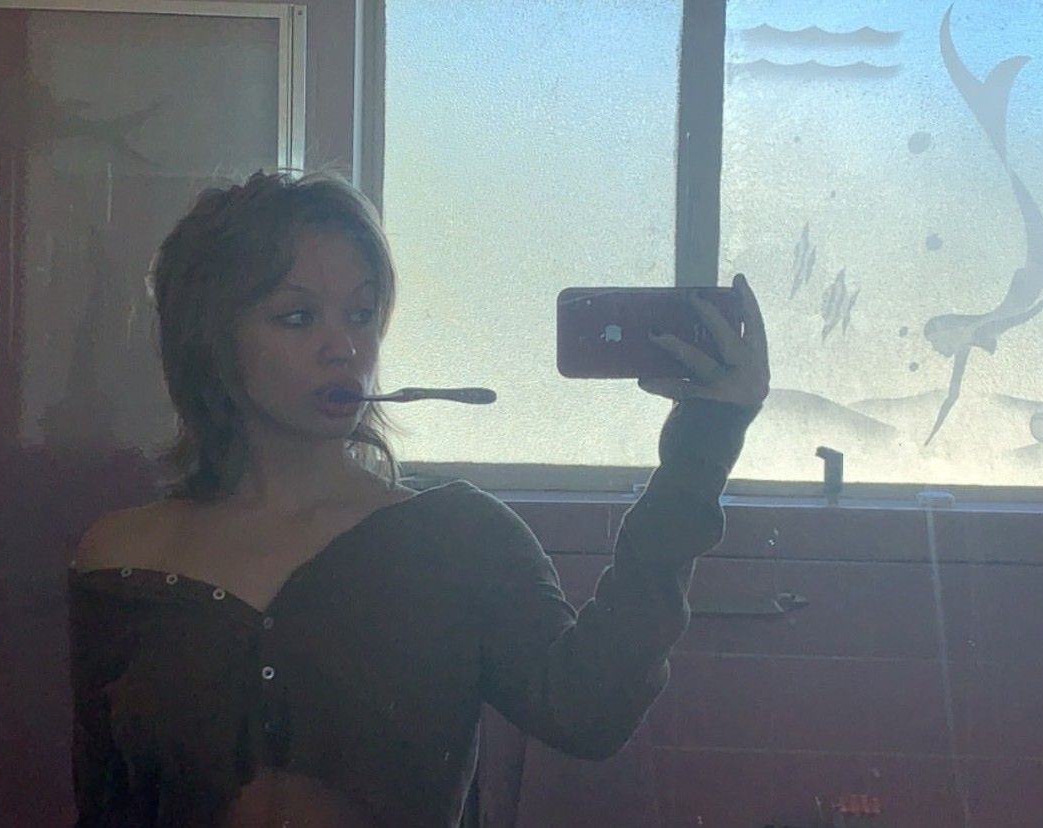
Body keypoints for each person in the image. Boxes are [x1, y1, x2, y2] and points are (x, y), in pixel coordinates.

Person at [68, 170, 769, 827]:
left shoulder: (458, 539)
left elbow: (589, 711)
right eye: (298, 317)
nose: (345, 347)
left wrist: (700, 448)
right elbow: (105, 802)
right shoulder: (120, 555)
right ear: (211, 339)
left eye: (361, 313)